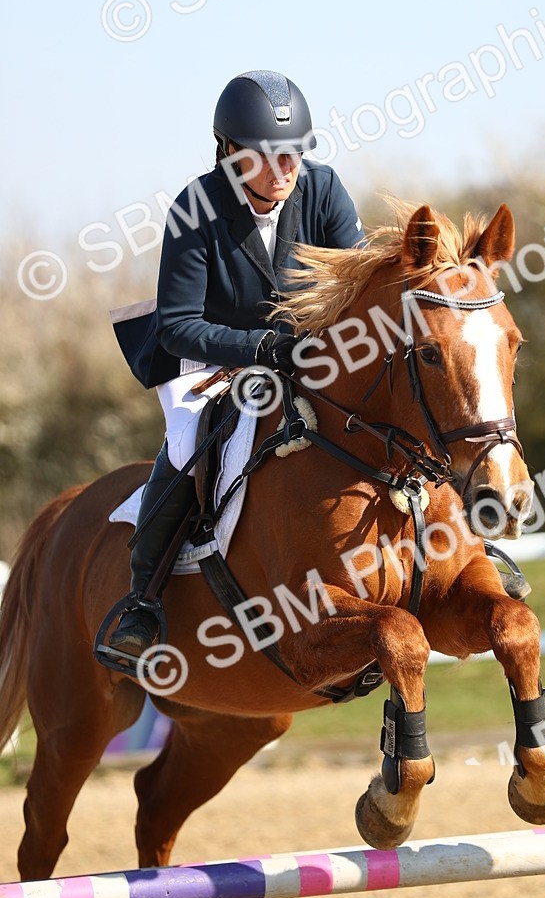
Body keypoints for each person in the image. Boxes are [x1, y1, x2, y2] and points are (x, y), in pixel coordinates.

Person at [105, 69, 363, 658]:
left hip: (303, 348)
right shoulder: (195, 208)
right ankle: (142, 598)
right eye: (268, 156)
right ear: (229, 153)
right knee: (186, 439)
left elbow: (354, 281)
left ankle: (464, 539)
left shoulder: (323, 191)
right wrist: (259, 349)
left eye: (294, 152)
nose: (285, 168)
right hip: (208, 352)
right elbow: (178, 324)